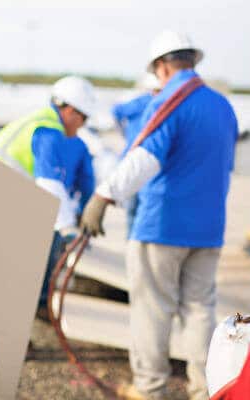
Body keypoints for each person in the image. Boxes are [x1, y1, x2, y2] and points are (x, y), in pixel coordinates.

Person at [80, 30, 238, 400]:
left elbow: (146, 157)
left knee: (153, 312)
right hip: (208, 229)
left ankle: (150, 390)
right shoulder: (223, 107)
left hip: (162, 226)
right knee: (200, 312)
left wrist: (105, 195)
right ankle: (206, 390)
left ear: (162, 67)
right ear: (191, 61)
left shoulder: (170, 101)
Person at [0, 76, 96, 310]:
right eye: (83, 118)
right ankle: (36, 305)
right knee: (51, 233)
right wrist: (68, 228)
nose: (82, 126)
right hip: (1, 198)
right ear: (70, 110)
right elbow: (50, 183)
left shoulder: (35, 121)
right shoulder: (49, 132)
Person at [112, 73, 161, 237]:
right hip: (138, 160)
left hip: (144, 161)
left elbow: (116, 111)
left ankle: (134, 242)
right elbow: (117, 111)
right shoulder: (145, 102)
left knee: (137, 209)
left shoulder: (153, 103)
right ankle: (134, 243)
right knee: (136, 208)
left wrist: (123, 132)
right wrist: (125, 133)